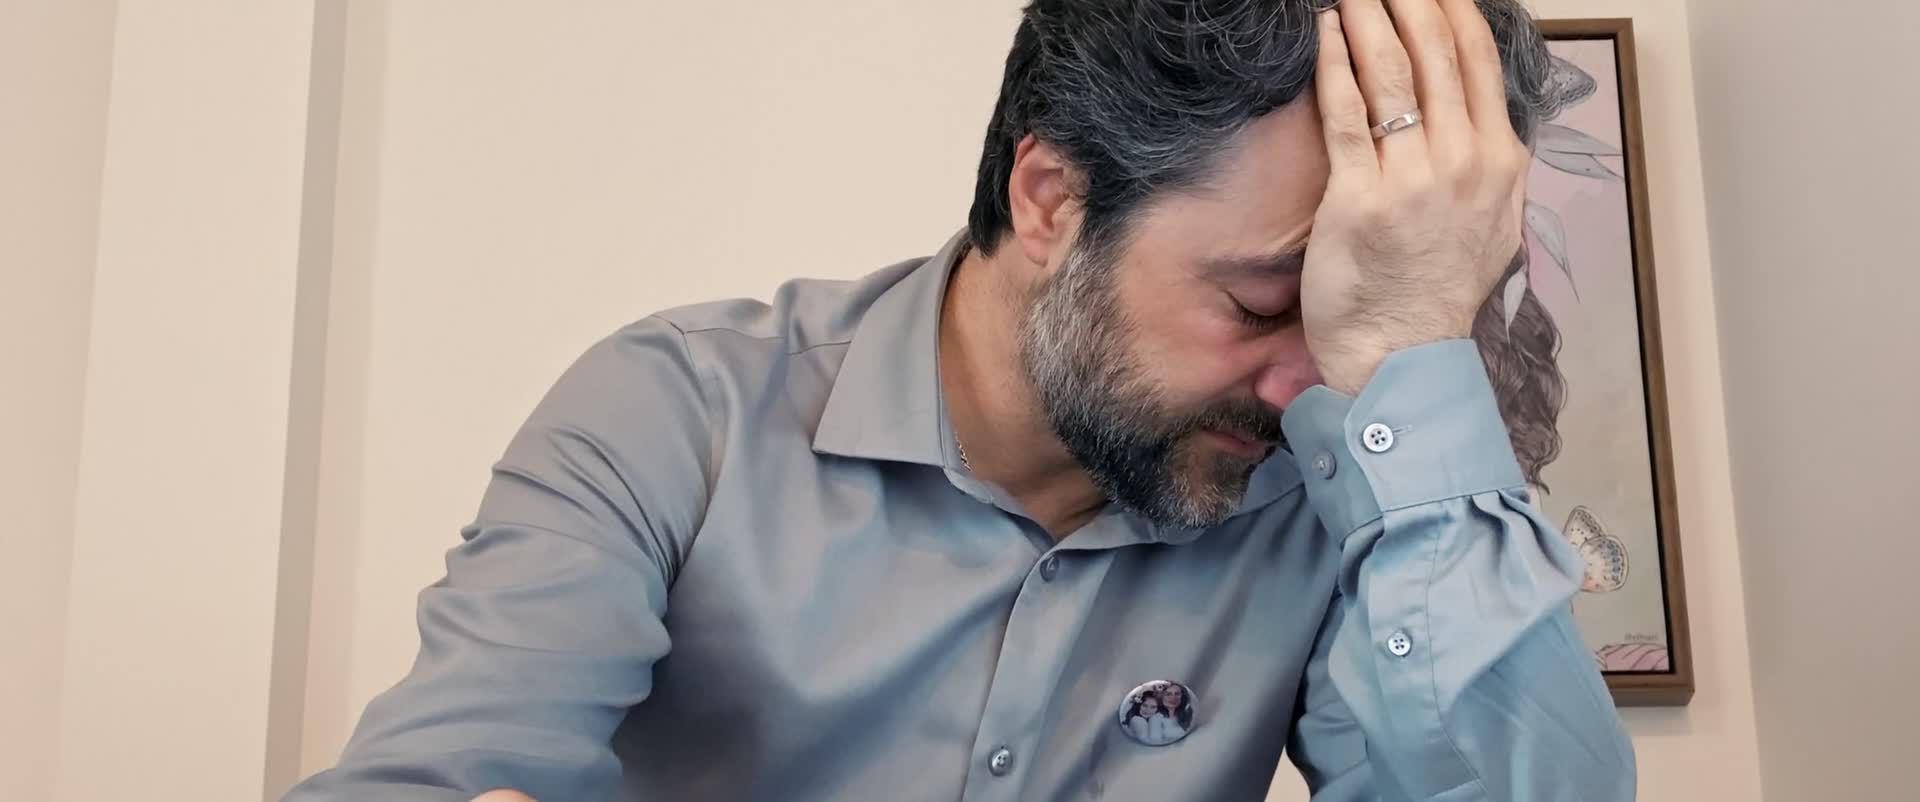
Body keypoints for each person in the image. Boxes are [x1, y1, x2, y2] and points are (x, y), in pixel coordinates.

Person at [285, 1, 1636, 800]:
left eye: (1357, 322)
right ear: (1050, 199)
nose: (1307, 389)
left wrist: (1413, 352)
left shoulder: (1333, 491)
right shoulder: (680, 415)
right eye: (1262, 301)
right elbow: (435, 775)